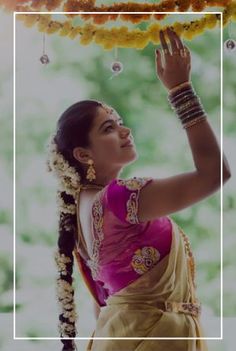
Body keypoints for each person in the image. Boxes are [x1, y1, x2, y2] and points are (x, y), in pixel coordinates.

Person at [46, 27, 231, 351]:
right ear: (83, 155)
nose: (124, 130)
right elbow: (215, 174)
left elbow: (103, 304)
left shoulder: (77, 214)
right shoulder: (118, 198)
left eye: (118, 121)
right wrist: (181, 89)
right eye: (108, 128)